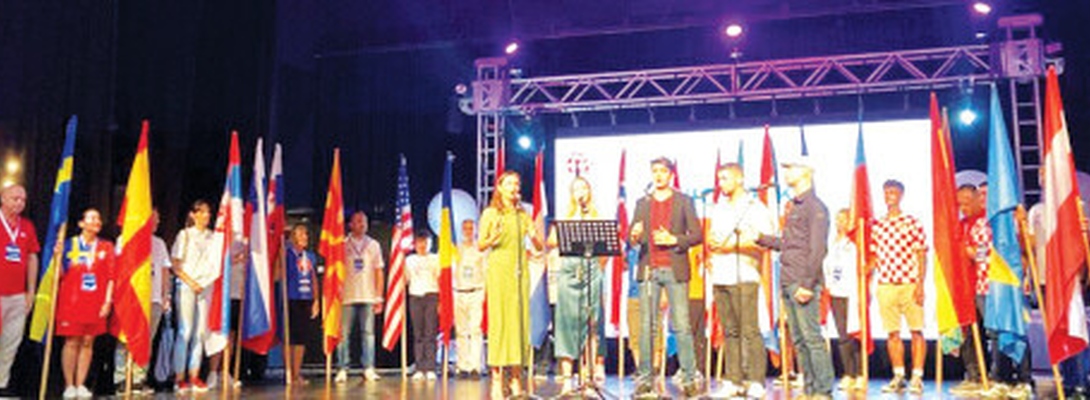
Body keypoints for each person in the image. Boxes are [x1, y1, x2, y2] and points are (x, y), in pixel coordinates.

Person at [756, 155, 833, 399]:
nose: (787, 172)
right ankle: (809, 389)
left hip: (802, 280)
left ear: (807, 172)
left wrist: (808, 284)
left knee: (812, 338)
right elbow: (789, 244)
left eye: (792, 168)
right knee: (799, 340)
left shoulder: (815, 207)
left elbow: (818, 249)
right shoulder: (795, 206)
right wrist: (760, 238)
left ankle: (823, 390)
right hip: (789, 279)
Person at [629, 157, 703, 398]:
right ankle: (645, 380)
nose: (658, 175)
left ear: (671, 174)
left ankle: (689, 378)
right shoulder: (643, 203)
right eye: (655, 171)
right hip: (649, 269)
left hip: (675, 268)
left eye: (663, 171)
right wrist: (634, 235)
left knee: (681, 325)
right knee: (647, 326)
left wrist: (674, 239)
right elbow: (633, 237)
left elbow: (697, 235)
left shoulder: (683, 201)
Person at [706, 162, 776, 398]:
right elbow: (714, 237)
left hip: (745, 274)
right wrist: (714, 245)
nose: (721, 184)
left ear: (739, 179)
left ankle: (756, 380)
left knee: (749, 329)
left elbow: (764, 242)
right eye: (719, 179)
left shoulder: (755, 207)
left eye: (725, 178)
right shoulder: (719, 207)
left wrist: (730, 246)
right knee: (730, 330)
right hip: (721, 274)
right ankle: (733, 380)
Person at [478, 171, 544, 399]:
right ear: (499, 187)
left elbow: (539, 247)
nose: (514, 187)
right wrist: (492, 239)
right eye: (509, 184)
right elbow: (480, 244)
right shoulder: (490, 213)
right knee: (500, 323)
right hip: (499, 272)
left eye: (516, 183)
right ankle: (497, 377)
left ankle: (516, 377)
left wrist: (533, 235)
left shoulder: (522, 214)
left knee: (518, 324)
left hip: (519, 273)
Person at [869, 179, 928, 394]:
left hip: (909, 283)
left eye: (893, 192)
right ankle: (899, 375)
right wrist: (866, 271)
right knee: (892, 333)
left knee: (916, 331)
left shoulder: (912, 222)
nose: (889, 196)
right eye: (886, 192)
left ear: (901, 195)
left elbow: (921, 254)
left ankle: (917, 377)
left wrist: (920, 283)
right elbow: (874, 256)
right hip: (886, 284)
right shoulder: (877, 224)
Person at [553, 176, 607, 393]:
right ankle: (567, 377)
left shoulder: (597, 216)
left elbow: (606, 248)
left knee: (591, 323)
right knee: (566, 323)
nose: (580, 192)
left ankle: (588, 377)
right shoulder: (565, 216)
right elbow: (550, 242)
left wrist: (598, 269)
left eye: (584, 187)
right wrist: (563, 231)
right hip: (569, 272)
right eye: (576, 189)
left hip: (591, 270)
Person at [57, 209, 115, 399]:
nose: (97, 221)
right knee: (71, 341)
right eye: (92, 218)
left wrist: (107, 301)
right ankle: (69, 385)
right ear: (81, 223)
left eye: (99, 218)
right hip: (71, 302)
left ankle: (81, 384)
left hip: (95, 302)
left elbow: (111, 277)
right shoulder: (69, 244)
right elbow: (59, 275)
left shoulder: (106, 246)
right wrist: (56, 257)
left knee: (88, 341)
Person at [113, 209, 171, 395]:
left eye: (158, 220)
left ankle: (138, 379)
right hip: (130, 298)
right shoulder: (125, 239)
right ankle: (121, 378)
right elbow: (118, 267)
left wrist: (165, 296)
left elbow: (165, 271)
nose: (157, 223)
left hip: (153, 299)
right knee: (124, 339)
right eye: (153, 219)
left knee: (146, 341)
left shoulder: (159, 244)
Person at [171, 200, 218, 393]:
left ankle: (194, 375)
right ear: (194, 214)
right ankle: (179, 377)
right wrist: (191, 282)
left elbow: (217, 261)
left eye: (208, 212)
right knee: (186, 330)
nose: (207, 215)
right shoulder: (185, 235)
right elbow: (175, 265)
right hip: (187, 286)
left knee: (200, 333)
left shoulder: (213, 237)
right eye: (202, 212)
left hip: (206, 287)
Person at [335, 211, 385, 384]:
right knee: (343, 334)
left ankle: (369, 367)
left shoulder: (374, 245)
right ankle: (342, 368)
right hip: (347, 296)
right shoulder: (342, 244)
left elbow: (379, 271)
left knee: (368, 334)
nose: (362, 224)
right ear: (350, 224)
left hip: (368, 296)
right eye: (358, 221)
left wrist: (379, 296)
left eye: (364, 221)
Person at [0, 185, 39, 396]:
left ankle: (1, 385)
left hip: (17, 295)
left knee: (11, 342)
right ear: (3, 199)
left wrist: (30, 291)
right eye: (15, 198)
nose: (20, 203)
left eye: (23, 200)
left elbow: (32, 257)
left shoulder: (27, 226)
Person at [950, 184, 988, 396]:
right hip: (963, 287)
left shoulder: (986, 222)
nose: (963, 208)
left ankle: (993, 374)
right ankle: (973, 374)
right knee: (967, 333)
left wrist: (971, 252)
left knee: (989, 332)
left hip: (983, 284)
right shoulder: (961, 225)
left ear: (976, 200)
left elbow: (986, 253)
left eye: (966, 203)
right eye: (960, 204)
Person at [824, 209, 862, 392]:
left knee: (855, 334)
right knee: (842, 336)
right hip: (836, 293)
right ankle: (849, 373)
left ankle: (860, 373)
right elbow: (828, 267)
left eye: (844, 220)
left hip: (851, 293)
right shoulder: (832, 243)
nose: (840, 223)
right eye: (837, 219)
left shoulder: (854, 244)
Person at [283, 223, 319, 386]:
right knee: (289, 338)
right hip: (291, 299)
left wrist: (316, 300)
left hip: (306, 299)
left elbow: (313, 279)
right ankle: (289, 373)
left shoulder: (310, 256)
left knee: (301, 339)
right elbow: (278, 274)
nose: (305, 237)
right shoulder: (286, 254)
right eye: (301, 234)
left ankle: (297, 373)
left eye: (306, 234)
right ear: (293, 237)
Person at [454, 219, 486, 377]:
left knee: (475, 329)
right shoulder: (456, 250)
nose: (468, 231)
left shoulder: (480, 249)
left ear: (475, 230)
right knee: (461, 331)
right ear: (461, 230)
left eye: (470, 229)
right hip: (459, 292)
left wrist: (484, 293)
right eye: (465, 228)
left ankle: (475, 366)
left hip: (476, 291)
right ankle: (462, 366)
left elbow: (486, 272)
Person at [405, 231, 439, 381]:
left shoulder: (435, 259)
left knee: (430, 333)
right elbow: (405, 279)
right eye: (419, 242)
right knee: (418, 333)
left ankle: (430, 367)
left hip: (431, 295)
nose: (422, 245)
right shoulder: (409, 260)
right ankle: (419, 367)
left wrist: (440, 302)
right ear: (415, 244)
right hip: (415, 296)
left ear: (430, 243)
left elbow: (440, 278)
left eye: (425, 242)